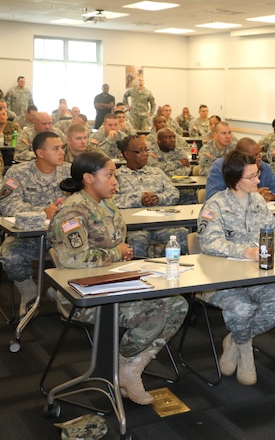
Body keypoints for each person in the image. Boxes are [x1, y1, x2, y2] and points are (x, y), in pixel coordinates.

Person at [48, 152, 188, 404]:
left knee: (178, 304)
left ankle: (131, 365)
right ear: (88, 178)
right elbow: (72, 259)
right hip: (84, 294)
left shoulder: (107, 203)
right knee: (156, 313)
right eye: (109, 175)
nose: (116, 182)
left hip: (113, 282)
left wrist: (122, 254)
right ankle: (123, 361)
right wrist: (116, 252)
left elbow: (114, 243)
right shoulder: (73, 212)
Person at [197, 150, 275, 385]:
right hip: (223, 278)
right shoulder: (215, 205)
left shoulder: (259, 202)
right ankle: (246, 349)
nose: (258, 181)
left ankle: (237, 340)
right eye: (251, 177)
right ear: (234, 178)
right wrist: (244, 251)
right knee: (241, 310)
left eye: (257, 175)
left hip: (257, 274)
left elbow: (273, 235)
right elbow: (209, 242)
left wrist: (265, 251)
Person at [0, 132, 70, 316]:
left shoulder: (70, 172)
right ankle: (29, 291)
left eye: (62, 147)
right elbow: (7, 205)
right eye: (56, 148)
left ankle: (61, 291)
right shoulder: (18, 173)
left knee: (87, 254)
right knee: (10, 257)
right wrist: (42, 212)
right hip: (29, 235)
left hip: (63, 234)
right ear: (40, 152)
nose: (62, 152)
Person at [114, 135, 189, 257]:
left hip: (160, 223)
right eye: (139, 151)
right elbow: (112, 200)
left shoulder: (157, 172)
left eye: (146, 150)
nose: (145, 154)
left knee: (183, 235)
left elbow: (174, 193)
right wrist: (139, 200)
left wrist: (159, 198)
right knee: (137, 242)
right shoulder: (117, 176)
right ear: (127, 154)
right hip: (134, 227)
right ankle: (138, 274)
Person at [205, 137, 275, 202]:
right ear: (240, 156)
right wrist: (251, 196)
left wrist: (270, 195)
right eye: (254, 155)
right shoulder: (221, 167)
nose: (259, 157)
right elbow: (212, 196)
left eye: (259, 153)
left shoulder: (264, 167)